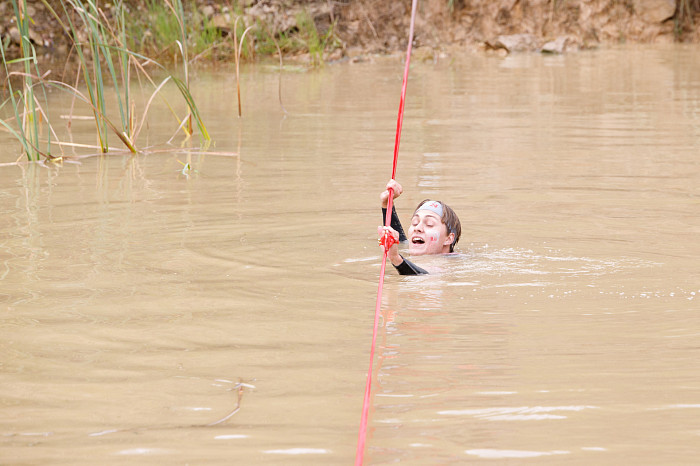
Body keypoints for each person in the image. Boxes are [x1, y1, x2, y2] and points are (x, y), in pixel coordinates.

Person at [378, 179, 462, 275]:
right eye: (415, 222)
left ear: (448, 239)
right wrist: (387, 203)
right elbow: (400, 242)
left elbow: (424, 276)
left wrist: (395, 259)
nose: (417, 228)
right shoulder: (411, 247)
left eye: (429, 224)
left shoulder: (451, 264)